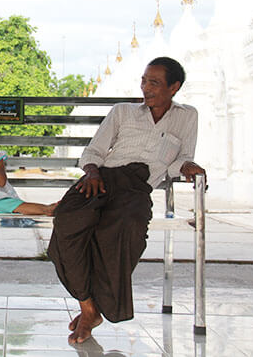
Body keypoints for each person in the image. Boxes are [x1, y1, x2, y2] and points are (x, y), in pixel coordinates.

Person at [47, 57, 206, 344]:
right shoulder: (123, 112)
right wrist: (92, 172)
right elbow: (94, 150)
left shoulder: (187, 116)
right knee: (68, 221)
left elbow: (180, 160)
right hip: (102, 178)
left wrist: (187, 168)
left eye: (154, 82)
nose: (146, 87)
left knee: (126, 229)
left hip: (136, 187)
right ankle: (88, 306)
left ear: (174, 87)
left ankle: (93, 307)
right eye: (144, 80)